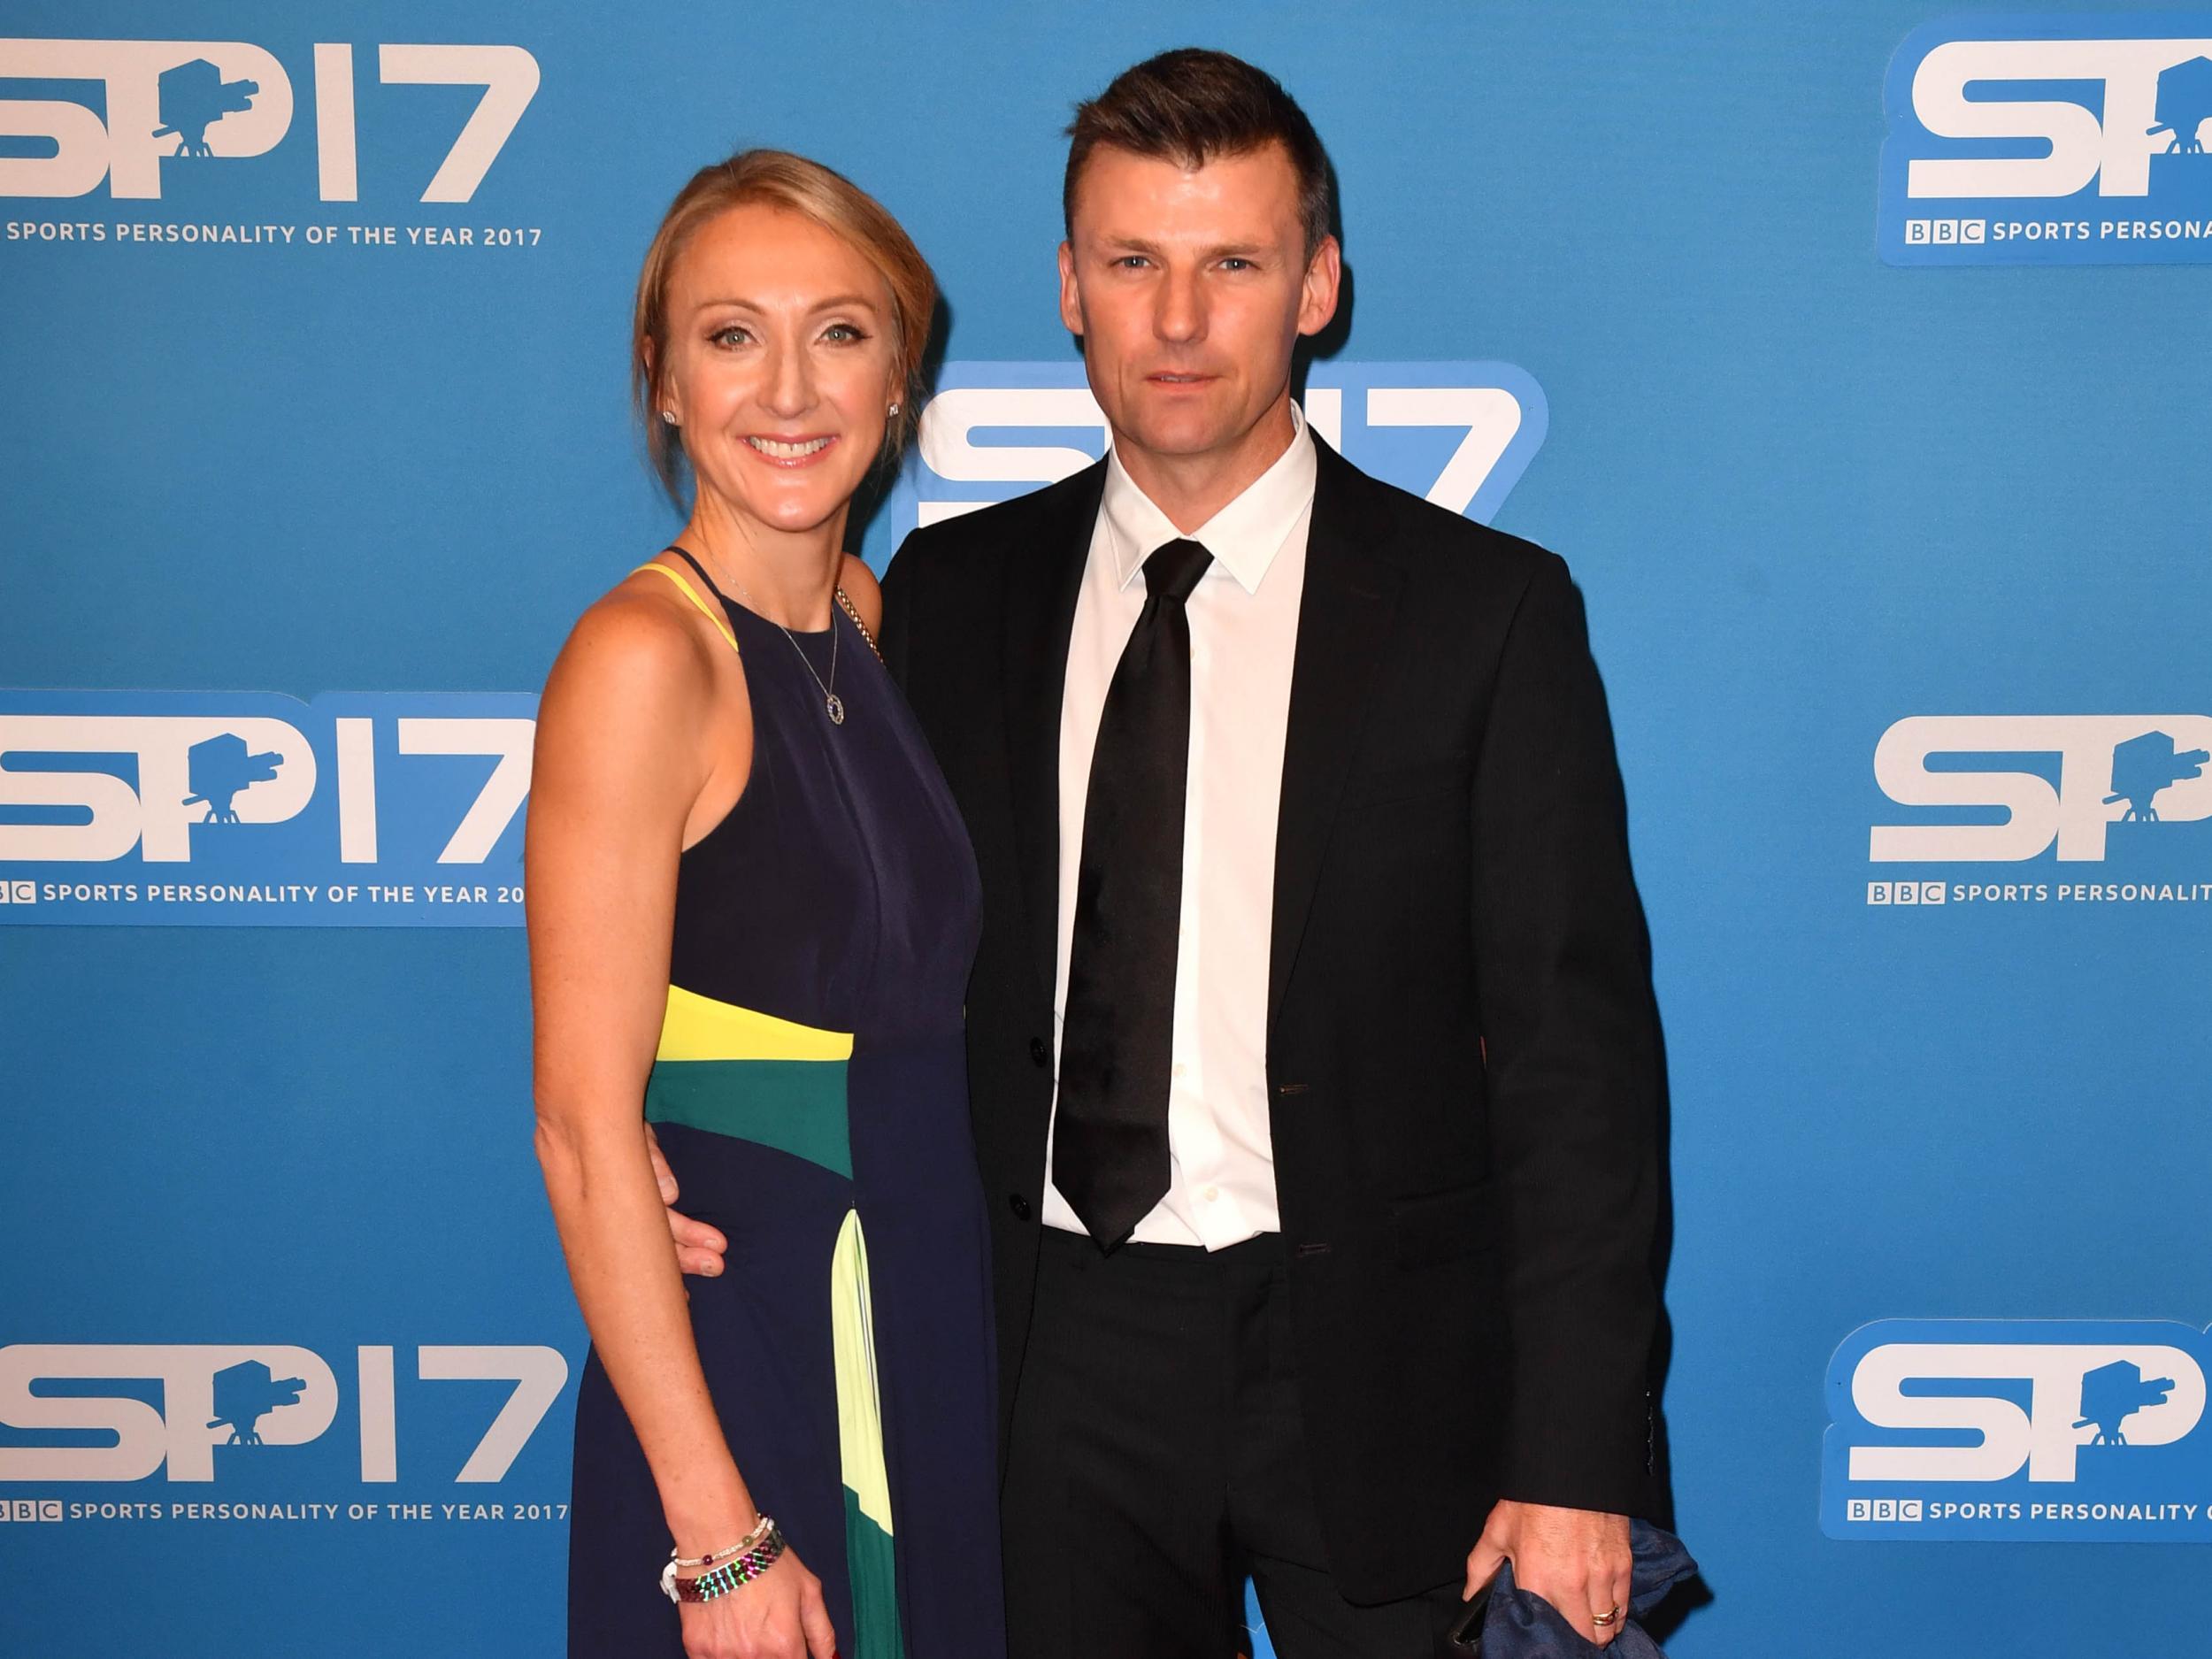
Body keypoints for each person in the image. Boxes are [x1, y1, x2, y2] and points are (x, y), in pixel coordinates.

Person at [665, 49, 1665, 1656]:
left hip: (1384, 1367)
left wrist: (1575, 1459)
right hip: (1043, 1361)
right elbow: (811, 918)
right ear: (1069, 286)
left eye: (1233, 265)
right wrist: (685, 1145)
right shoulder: (944, 597)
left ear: (1318, 286)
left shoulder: (1487, 618)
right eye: (1133, 263)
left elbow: (1580, 1080)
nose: (1180, 321)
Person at [530, 150, 1004, 1659]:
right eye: (732, 335)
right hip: (758, 1358)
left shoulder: (867, 615)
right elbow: (583, 1127)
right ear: (664, 380)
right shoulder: (641, 662)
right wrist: (719, 1542)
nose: (788, 389)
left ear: (899, 372)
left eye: (840, 331)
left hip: (927, 1305)